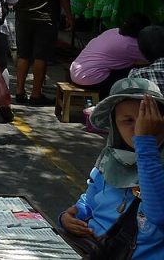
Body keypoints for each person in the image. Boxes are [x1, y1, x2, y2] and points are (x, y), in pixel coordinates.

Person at [60, 77, 164, 259]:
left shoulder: (156, 164)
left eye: (146, 120)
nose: (139, 128)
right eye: (128, 120)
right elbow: (90, 201)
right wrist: (70, 217)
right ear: (115, 126)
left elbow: (159, 215)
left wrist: (145, 145)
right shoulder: (110, 160)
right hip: (94, 249)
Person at [71, 14, 150, 99]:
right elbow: (150, 59)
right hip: (91, 79)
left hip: (75, 73)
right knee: (133, 73)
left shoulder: (112, 31)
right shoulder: (133, 44)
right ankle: (112, 102)